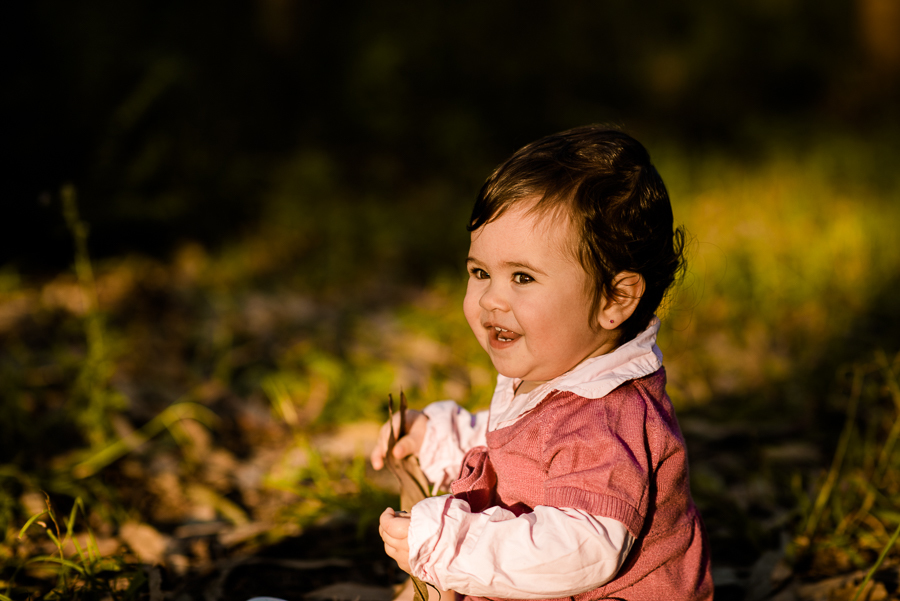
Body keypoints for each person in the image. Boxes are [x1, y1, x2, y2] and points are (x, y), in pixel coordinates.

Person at [371, 125, 713, 600]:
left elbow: (579, 550)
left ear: (614, 298)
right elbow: (525, 450)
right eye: (480, 272)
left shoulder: (606, 419)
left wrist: (452, 544)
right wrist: (438, 440)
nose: (490, 299)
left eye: (523, 278)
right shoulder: (561, 374)